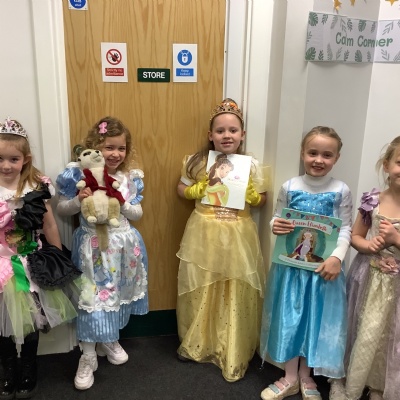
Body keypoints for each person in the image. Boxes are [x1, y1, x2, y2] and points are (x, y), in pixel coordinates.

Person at [176, 98, 269, 382]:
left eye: (233, 130)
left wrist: (254, 196)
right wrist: (192, 191)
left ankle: (231, 344)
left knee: (234, 284)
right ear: (210, 135)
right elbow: (180, 187)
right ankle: (200, 340)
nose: (226, 135)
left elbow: (263, 199)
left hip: (238, 232)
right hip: (204, 231)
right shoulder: (198, 161)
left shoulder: (251, 165)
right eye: (220, 130)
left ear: (242, 134)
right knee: (204, 283)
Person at [259, 126, 352, 400]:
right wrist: (275, 226)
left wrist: (336, 257)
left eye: (327, 155)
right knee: (290, 319)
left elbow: (345, 228)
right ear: (302, 153)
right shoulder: (290, 186)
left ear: (336, 158)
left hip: (323, 271)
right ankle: (289, 377)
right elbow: (276, 218)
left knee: (315, 320)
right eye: (312, 153)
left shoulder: (341, 190)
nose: (318, 160)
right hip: (291, 270)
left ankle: (306, 375)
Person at [56, 116, 148, 390]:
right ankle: (87, 354)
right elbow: (62, 209)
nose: (115, 154)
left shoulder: (128, 179)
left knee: (115, 294)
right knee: (91, 297)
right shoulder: (79, 176)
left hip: (122, 249)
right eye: (109, 147)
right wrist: (78, 200)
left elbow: (137, 213)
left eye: (121, 148)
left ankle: (108, 339)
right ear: (95, 148)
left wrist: (121, 203)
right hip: (92, 249)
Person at [0, 117, 80, 399]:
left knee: (32, 318)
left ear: (25, 159)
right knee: (3, 322)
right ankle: (8, 367)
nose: (6, 165)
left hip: (30, 261)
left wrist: (57, 256)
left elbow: (49, 225)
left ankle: (28, 366)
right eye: (0, 159)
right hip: (1, 263)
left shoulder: (35, 186)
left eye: (13, 159)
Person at [343, 137, 400, 400]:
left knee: (391, 336)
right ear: (386, 165)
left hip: (397, 286)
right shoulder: (372, 200)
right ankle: (355, 381)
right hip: (370, 278)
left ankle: (380, 384)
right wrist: (369, 245)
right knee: (366, 332)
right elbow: (355, 236)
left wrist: (396, 239)